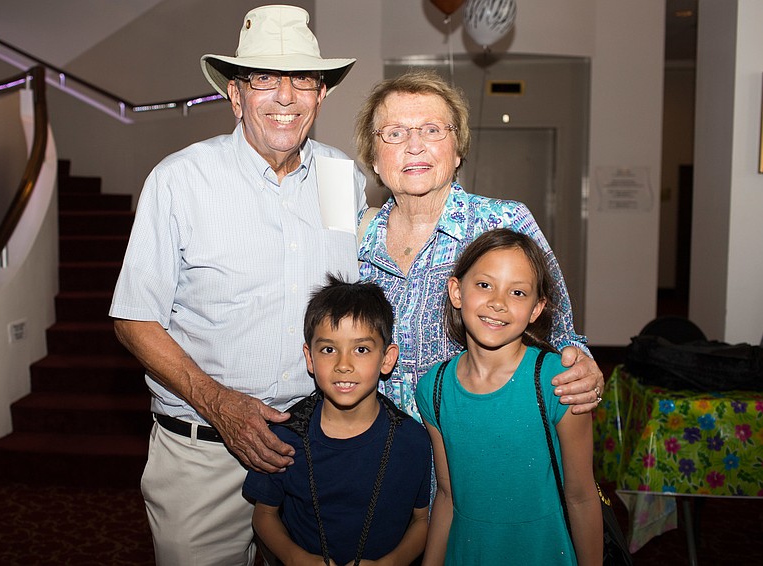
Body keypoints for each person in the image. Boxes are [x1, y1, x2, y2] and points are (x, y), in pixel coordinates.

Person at [109, 5, 364, 565]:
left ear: (321, 95)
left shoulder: (340, 179)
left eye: (302, 80)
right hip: (203, 455)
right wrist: (218, 403)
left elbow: (365, 298)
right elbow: (133, 318)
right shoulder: (180, 181)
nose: (284, 96)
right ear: (235, 93)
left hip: (313, 450)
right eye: (264, 79)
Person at [354, 70, 604, 423]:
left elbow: (560, 333)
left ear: (457, 151)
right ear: (375, 159)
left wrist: (584, 371)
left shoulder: (503, 222)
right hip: (383, 455)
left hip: (481, 446)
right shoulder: (355, 238)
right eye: (395, 133)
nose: (414, 145)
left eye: (431, 130)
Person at [416, 229, 602, 565]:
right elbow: (446, 495)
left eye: (517, 292)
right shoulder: (434, 388)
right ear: (457, 292)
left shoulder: (558, 382)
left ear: (536, 309)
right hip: (467, 553)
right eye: (484, 285)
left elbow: (581, 497)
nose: (498, 302)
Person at [243, 275, 430, 566]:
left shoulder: (412, 440)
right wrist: (297, 559)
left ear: (387, 358)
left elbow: (422, 520)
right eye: (329, 349)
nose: (344, 365)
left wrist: (390, 563)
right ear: (310, 357)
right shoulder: (283, 436)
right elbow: (264, 514)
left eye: (361, 349)